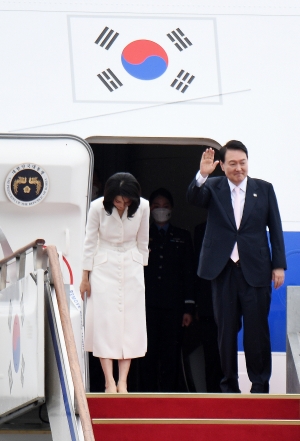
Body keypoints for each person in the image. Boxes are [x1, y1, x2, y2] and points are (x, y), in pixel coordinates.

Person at [187, 141, 286, 393]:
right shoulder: (213, 186)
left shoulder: (263, 189)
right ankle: (228, 385)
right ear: (223, 165)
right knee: (226, 331)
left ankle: (260, 384)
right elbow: (193, 197)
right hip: (223, 270)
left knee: (257, 331)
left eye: (243, 163)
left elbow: (275, 228)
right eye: (232, 163)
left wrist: (279, 266)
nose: (238, 168)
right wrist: (202, 175)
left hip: (256, 270)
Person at [80, 172, 149, 393]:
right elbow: (90, 242)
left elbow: (143, 241)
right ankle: (109, 381)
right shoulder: (96, 207)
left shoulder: (144, 207)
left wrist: (139, 266)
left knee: (131, 322)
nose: (122, 205)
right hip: (103, 265)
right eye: (118, 201)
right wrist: (85, 277)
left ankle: (123, 381)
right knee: (105, 322)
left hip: (131, 264)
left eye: (127, 201)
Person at [140, 188, 195, 392]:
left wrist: (188, 308)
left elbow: (189, 272)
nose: (161, 210)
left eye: (165, 206)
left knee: (171, 353)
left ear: (171, 209)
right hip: (148, 305)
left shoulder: (182, 236)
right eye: (156, 207)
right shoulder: (142, 234)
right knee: (148, 353)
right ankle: (146, 395)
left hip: (174, 307)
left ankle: (168, 397)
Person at [194, 222, 223, 392]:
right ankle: (212, 397)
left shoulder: (236, 226)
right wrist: (197, 305)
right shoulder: (201, 229)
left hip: (230, 305)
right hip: (207, 305)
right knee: (211, 356)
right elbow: (197, 268)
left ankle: (228, 396)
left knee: (227, 358)